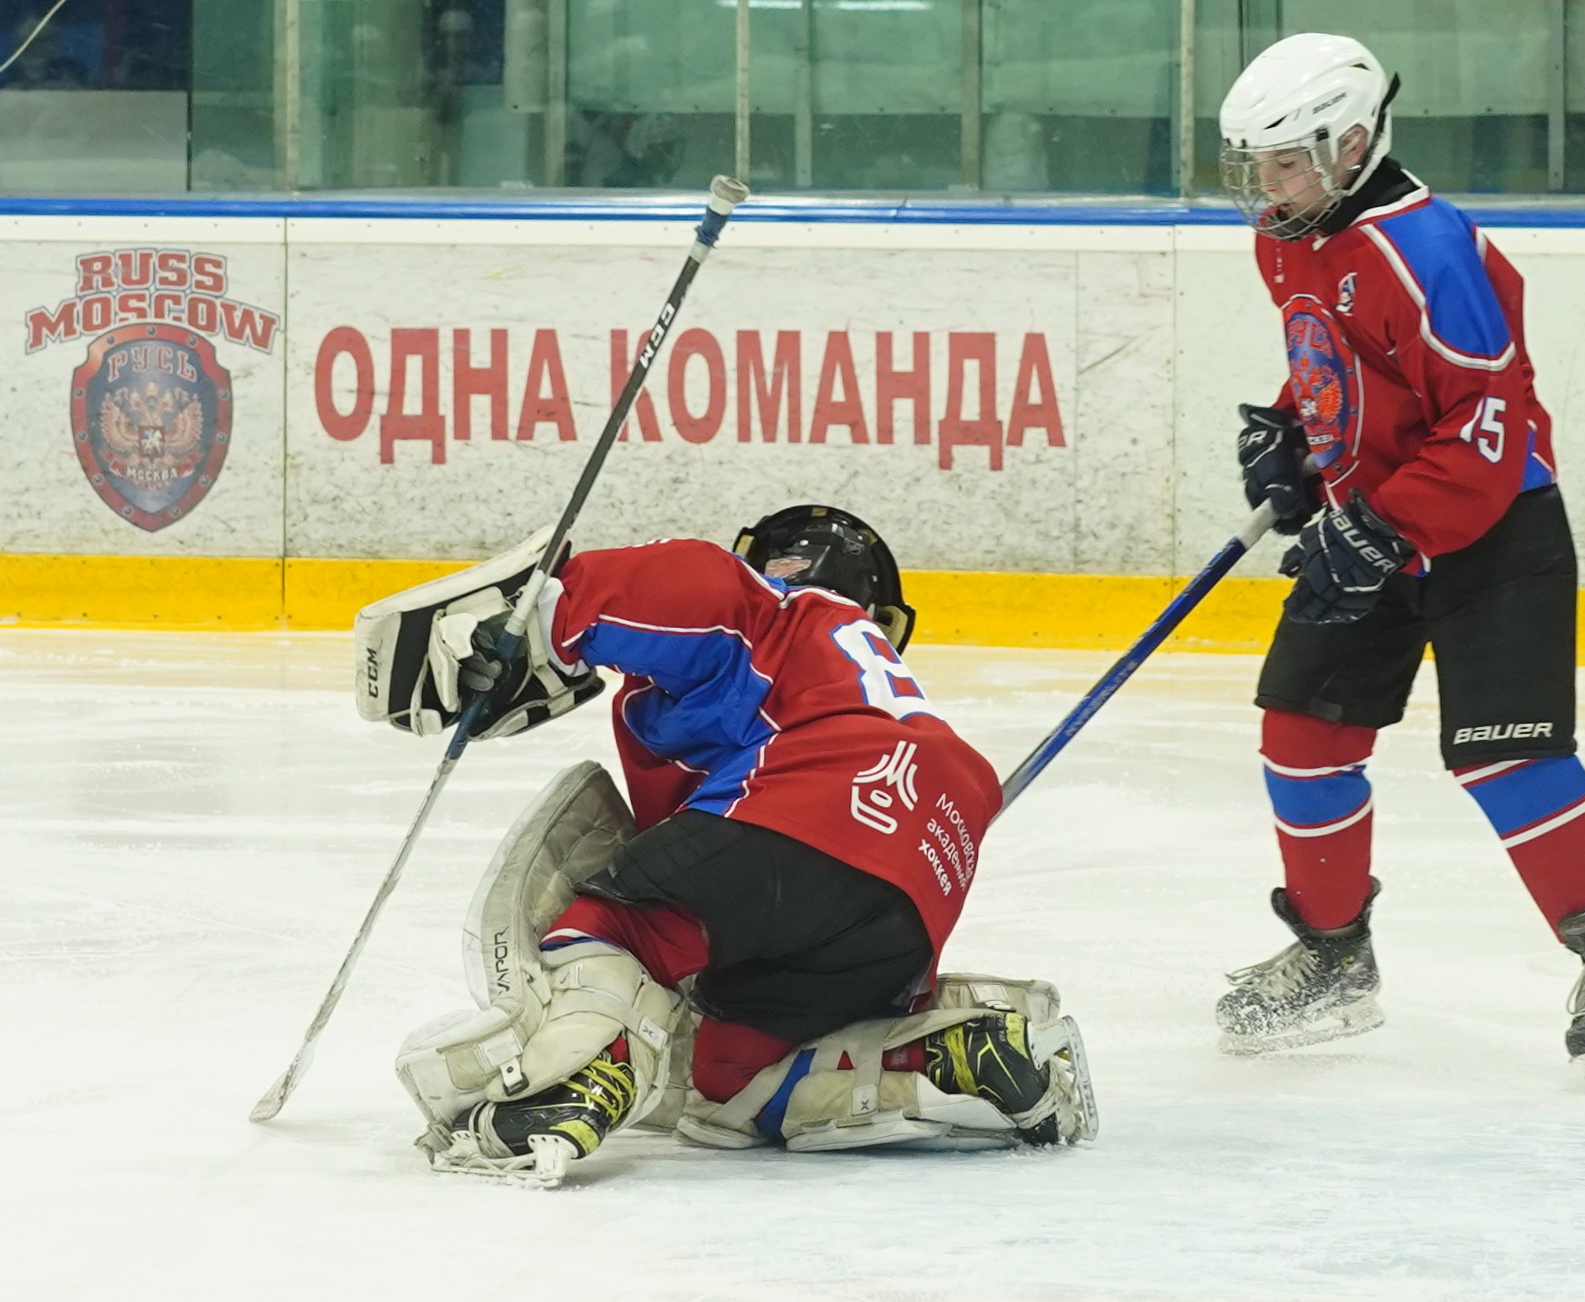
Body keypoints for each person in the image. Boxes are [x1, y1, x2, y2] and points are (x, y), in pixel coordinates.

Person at [1211, 33, 1585, 1089]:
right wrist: (1295, 436)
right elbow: (1346, 366)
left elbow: (1487, 422)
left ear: (1354, 140)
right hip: (1374, 518)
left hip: (1490, 529)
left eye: (1287, 162)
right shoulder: (1288, 237)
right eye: (1257, 166)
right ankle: (1335, 957)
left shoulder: (1425, 249)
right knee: (1302, 736)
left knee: (1505, 756)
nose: (1269, 188)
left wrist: (1385, 526)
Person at [377, 505, 1097, 1183]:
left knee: (621, 926)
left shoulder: (789, 615)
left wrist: (543, 617)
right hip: (925, 867)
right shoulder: (866, 683)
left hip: (814, 801)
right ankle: (943, 1054)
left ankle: (580, 1077)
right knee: (726, 1076)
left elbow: (709, 590)